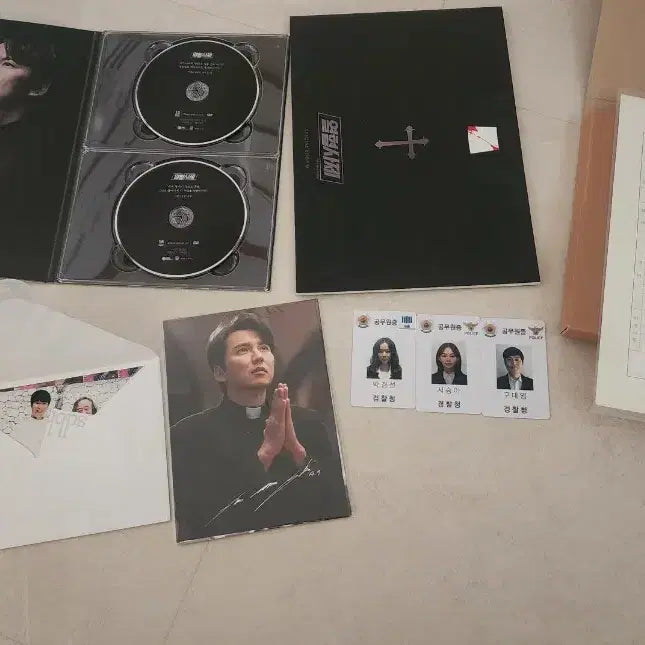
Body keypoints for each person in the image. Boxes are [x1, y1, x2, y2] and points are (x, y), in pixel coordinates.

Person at [170, 312, 350, 542]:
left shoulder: (309, 423)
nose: (258, 357)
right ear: (220, 372)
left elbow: (337, 505)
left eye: (264, 348)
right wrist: (265, 454)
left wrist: (298, 453)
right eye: (243, 350)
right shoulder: (189, 434)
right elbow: (201, 522)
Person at [9, 389, 51, 456]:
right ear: (31, 405)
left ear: (48, 406)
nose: (40, 407)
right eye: (37, 403)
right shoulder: (21, 425)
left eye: (44, 403)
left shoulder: (50, 425)